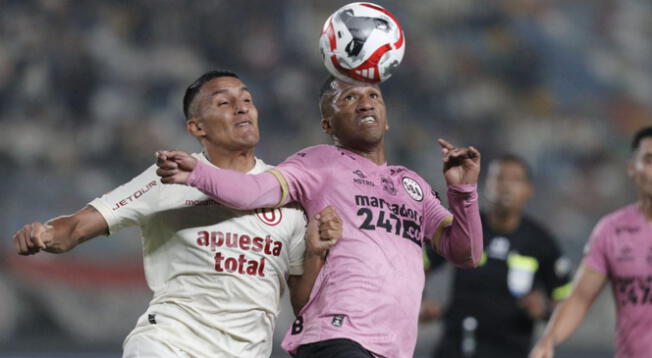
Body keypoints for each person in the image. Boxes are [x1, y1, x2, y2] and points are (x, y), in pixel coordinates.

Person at [12, 70, 343, 358]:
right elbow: (79, 225)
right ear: (196, 126)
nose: (242, 107)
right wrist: (44, 234)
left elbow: (302, 304)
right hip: (169, 344)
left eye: (247, 99)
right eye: (224, 103)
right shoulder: (169, 176)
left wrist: (315, 252)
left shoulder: (285, 193)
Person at [154, 75, 484, 358]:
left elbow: (466, 253)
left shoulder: (413, 185)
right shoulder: (319, 162)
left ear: (386, 118)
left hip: (392, 348)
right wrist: (197, 173)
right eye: (349, 98)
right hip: (336, 336)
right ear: (327, 124)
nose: (366, 103)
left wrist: (463, 192)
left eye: (373, 96)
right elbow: (252, 191)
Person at [420, 154, 572, 358]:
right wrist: (421, 301)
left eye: (516, 179)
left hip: (510, 350)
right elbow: (419, 264)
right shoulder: (464, 227)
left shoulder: (541, 242)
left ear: (529, 190)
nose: (506, 186)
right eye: (499, 178)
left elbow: (566, 302)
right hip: (454, 347)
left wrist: (544, 311)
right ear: (486, 185)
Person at [529, 125, 652, 358]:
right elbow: (580, 298)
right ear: (632, 168)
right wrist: (548, 340)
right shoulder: (612, 230)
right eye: (649, 160)